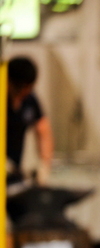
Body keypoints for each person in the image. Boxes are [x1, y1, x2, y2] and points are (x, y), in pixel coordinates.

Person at [7, 56, 54, 188]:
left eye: (28, 87)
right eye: (20, 87)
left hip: (13, 175)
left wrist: (44, 166)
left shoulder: (29, 100)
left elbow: (43, 130)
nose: (24, 91)